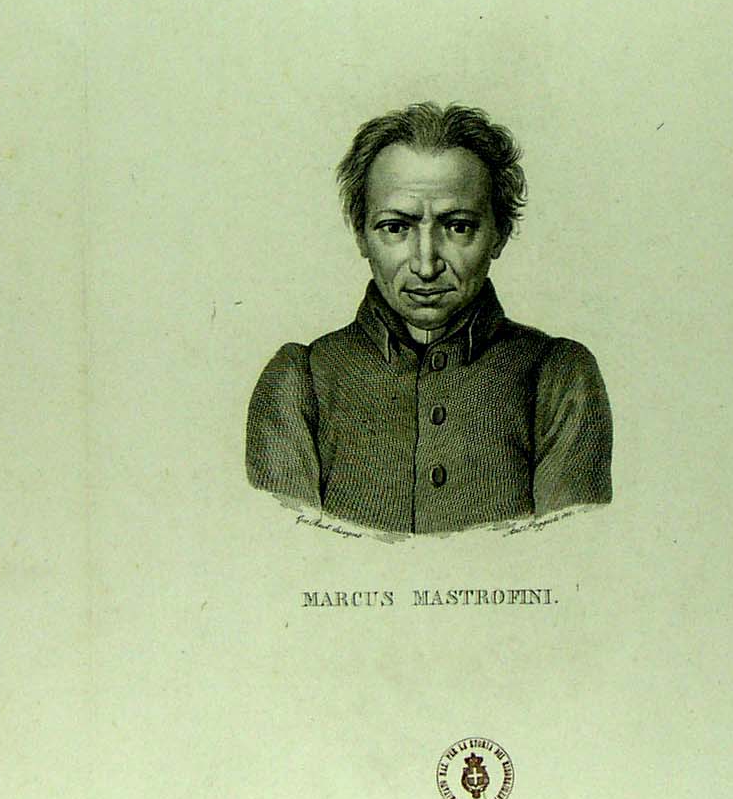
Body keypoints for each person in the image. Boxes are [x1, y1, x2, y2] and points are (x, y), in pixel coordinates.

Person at [246, 102, 612, 534]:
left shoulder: (560, 376)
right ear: (360, 233)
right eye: (396, 227)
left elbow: (572, 552)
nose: (425, 265)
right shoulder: (299, 380)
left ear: (499, 234)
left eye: (458, 227)